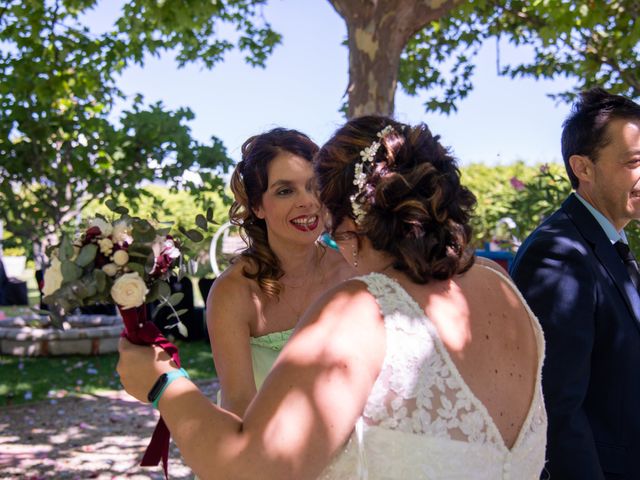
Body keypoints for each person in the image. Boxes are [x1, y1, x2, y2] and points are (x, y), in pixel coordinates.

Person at [118, 116, 547, 479]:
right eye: (286, 190)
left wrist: (163, 384)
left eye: (319, 194)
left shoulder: (358, 308)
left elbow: (252, 467)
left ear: (348, 220)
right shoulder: (499, 284)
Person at [510, 88, 640, 479]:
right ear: (583, 168)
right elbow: (557, 411)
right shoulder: (558, 254)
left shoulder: (609, 241)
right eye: (634, 162)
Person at [206, 128, 353, 416]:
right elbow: (238, 406)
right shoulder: (234, 293)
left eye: (314, 186)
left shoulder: (350, 272)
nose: (307, 201)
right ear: (257, 206)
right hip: (267, 450)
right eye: (286, 191)